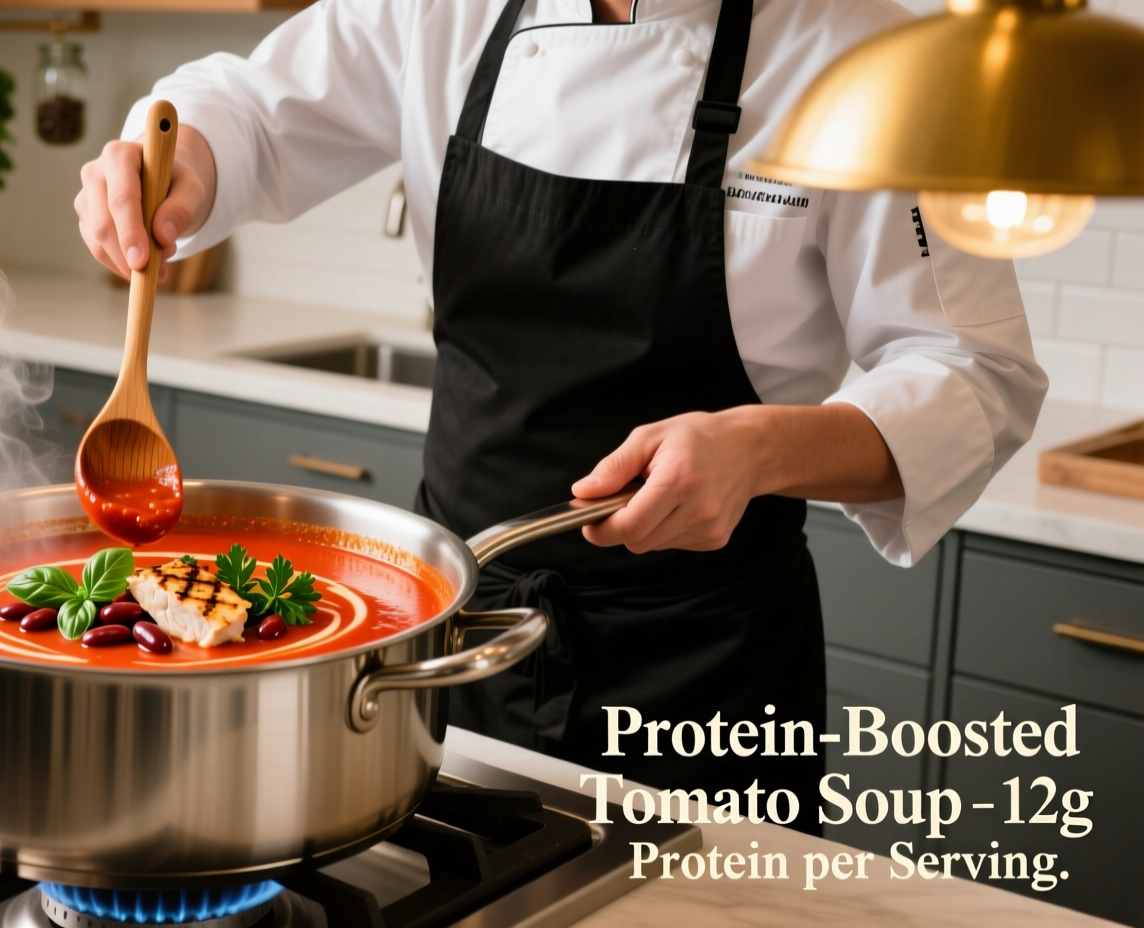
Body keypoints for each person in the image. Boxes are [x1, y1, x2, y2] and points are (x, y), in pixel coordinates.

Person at [73, 0, 1045, 834]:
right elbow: (250, 106)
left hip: (702, 673)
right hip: (449, 640)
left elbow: (974, 372)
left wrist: (758, 450)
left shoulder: (867, 51)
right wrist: (183, 155)